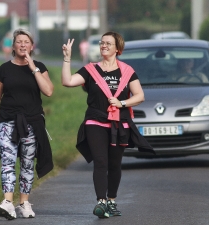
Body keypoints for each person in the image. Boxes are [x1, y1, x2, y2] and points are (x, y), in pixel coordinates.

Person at [61, 32, 155, 219]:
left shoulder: (127, 71)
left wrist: (122, 104)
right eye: (102, 43)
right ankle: (101, 202)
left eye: (108, 43)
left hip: (119, 123)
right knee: (100, 161)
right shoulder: (91, 70)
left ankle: (111, 201)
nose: (103, 45)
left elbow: (140, 96)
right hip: (95, 120)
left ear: (117, 49)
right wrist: (67, 59)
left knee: (114, 164)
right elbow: (68, 81)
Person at [0, 29, 54, 220]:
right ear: (13, 46)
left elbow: (48, 91)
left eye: (26, 42)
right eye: (19, 42)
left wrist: (33, 68)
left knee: (28, 164)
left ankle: (24, 203)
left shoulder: (39, 66)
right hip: (7, 122)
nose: (22, 45)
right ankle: (7, 202)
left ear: (32, 46)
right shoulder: (4, 70)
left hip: (31, 123)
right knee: (7, 162)